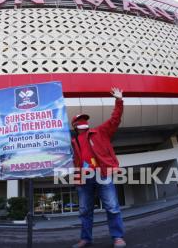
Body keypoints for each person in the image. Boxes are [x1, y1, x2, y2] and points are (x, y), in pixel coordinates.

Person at [71, 87, 126, 248]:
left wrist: (119, 100)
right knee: (84, 211)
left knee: (112, 207)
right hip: (83, 178)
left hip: (102, 174)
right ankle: (86, 239)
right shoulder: (72, 142)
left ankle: (118, 237)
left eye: (84, 120)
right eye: (80, 120)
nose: (83, 122)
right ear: (75, 125)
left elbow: (115, 119)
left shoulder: (100, 132)